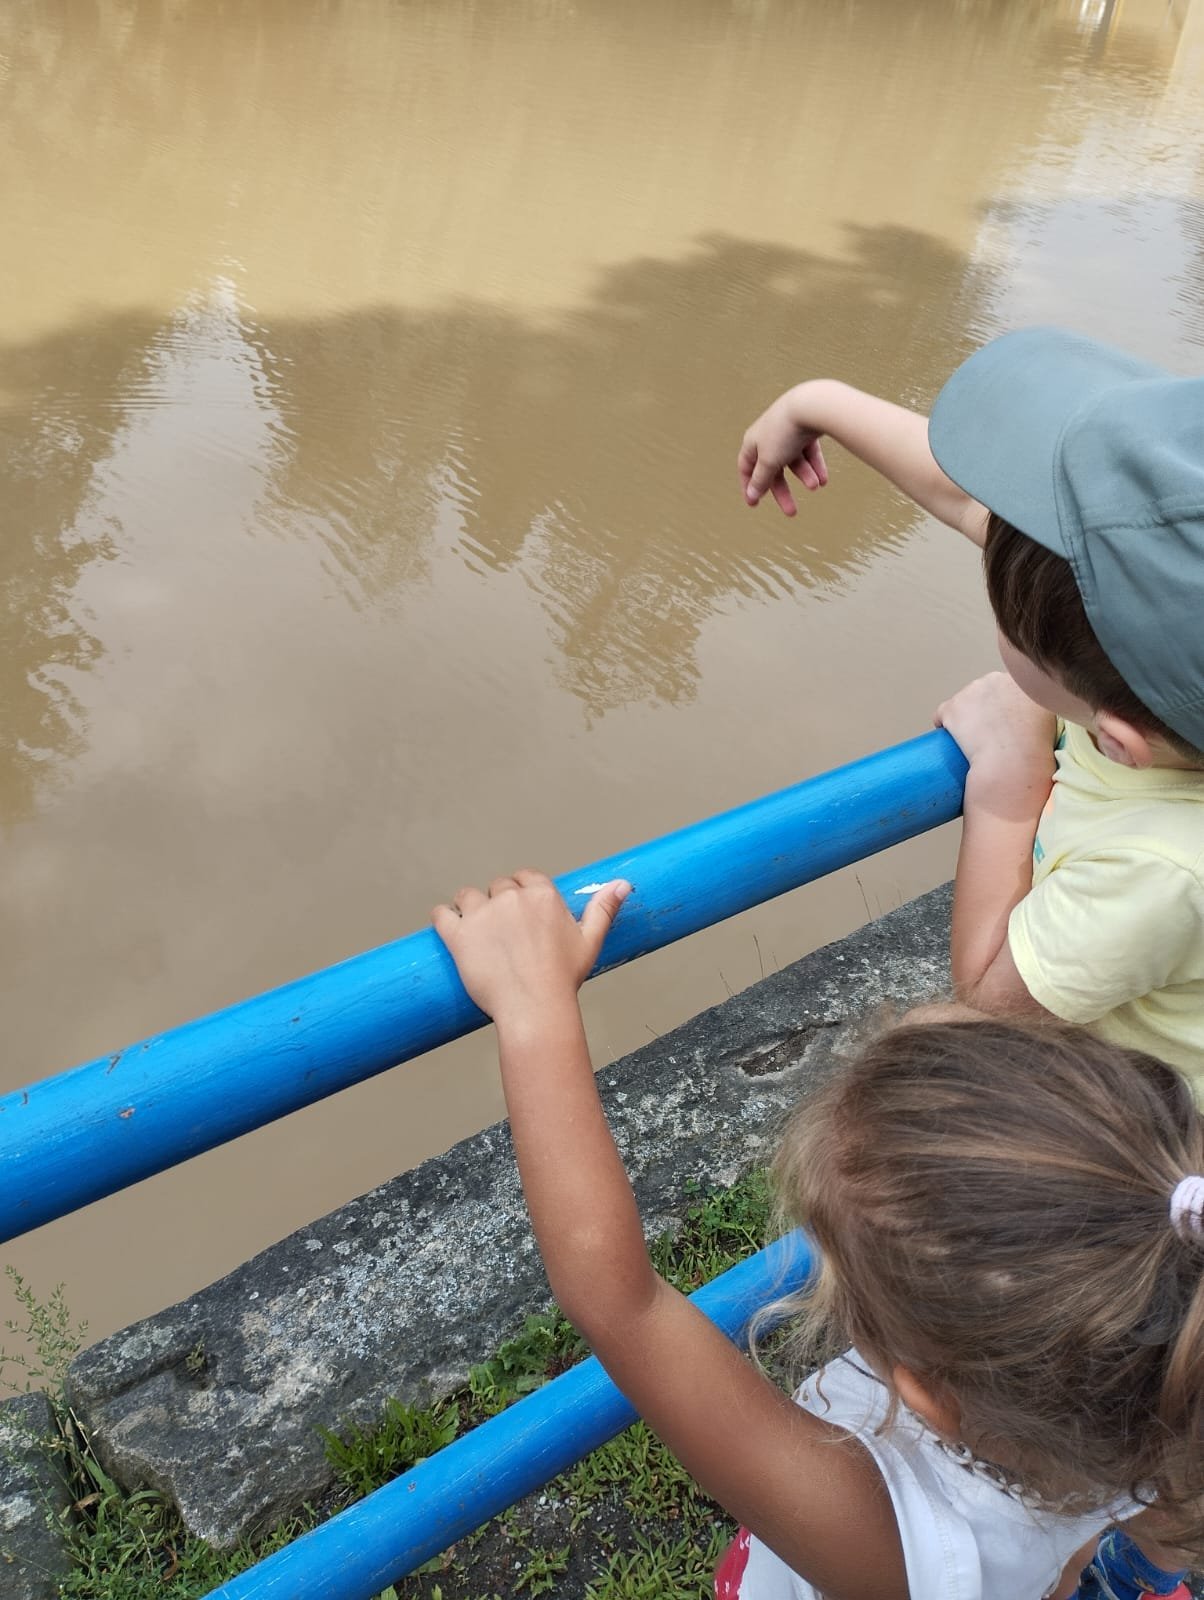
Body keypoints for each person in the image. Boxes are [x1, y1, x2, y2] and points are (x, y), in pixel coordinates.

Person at [433, 870, 1202, 1600]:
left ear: (927, 1396)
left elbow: (617, 1300)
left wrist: (532, 1007)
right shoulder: (1149, 1393)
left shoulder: (887, 1545)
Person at [738, 329, 1204, 1094]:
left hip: (1149, 1121)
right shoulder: (1161, 656)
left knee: (920, 1047)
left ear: (1119, 741)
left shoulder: (1161, 870)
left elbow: (989, 999)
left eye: (1007, 625)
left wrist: (1009, 780)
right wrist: (818, 403)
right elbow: (969, 501)